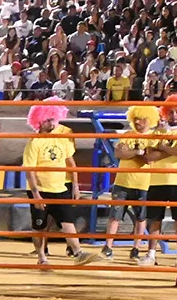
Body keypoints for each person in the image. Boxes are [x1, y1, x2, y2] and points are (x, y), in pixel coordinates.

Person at [21, 103, 96, 266]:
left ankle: (78, 252)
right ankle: (41, 256)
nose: (52, 124)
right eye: (48, 120)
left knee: (67, 221)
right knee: (39, 226)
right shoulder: (34, 143)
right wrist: (35, 194)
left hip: (60, 188)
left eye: (53, 120)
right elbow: (29, 170)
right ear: (39, 121)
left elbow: (70, 162)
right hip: (41, 190)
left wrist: (76, 185)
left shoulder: (62, 139)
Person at [140, 98, 177, 262]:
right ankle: (151, 254)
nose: (174, 115)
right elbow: (149, 156)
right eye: (170, 111)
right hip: (156, 180)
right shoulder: (157, 131)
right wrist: (174, 150)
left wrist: (162, 148)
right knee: (155, 219)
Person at [102, 105, 157, 262]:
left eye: (141, 119)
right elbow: (119, 153)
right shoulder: (127, 134)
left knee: (141, 218)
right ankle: (108, 247)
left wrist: (132, 154)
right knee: (115, 216)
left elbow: (149, 157)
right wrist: (138, 152)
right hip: (123, 182)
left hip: (144, 183)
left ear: (149, 119)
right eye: (136, 119)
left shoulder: (154, 137)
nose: (138, 122)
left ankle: (136, 248)